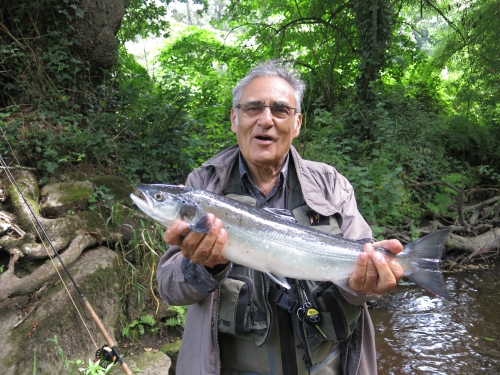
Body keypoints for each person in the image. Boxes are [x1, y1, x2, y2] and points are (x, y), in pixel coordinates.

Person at [157, 60, 404, 375]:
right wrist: (201, 267)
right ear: (234, 118)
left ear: (297, 123)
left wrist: (368, 282)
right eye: (253, 108)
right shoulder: (202, 186)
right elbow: (169, 287)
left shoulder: (332, 185)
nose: (266, 120)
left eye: (280, 110)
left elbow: (360, 283)